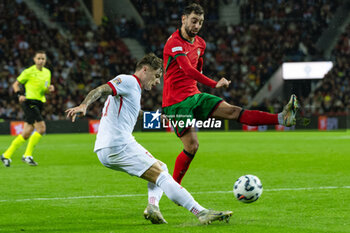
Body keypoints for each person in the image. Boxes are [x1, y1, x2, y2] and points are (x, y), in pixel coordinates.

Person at [65, 53, 232, 225]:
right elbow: (100, 90)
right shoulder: (128, 81)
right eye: (157, 75)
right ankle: (201, 212)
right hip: (119, 144)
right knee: (162, 176)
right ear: (145, 69)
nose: (158, 81)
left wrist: (158, 118)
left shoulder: (133, 89)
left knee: (162, 167)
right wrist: (84, 105)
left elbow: (134, 114)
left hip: (108, 147)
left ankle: (153, 207)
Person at [162, 3, 299, 184]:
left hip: (195, 96)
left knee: (234, 111)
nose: (197, 26)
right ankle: (174, 188)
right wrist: (213, 83)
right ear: (183, 19)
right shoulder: (174, 43)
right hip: (176, 102)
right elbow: (187, 69)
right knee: (192, 146)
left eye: (200, 23)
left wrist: (199, 86)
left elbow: (198, 65)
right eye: (194, 21)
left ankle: (282, 118)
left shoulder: (200, 43)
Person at [1, 50, 54, 167]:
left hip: (40, 103)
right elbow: (15, 84)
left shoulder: (47, 72)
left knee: (26, 133)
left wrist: (48, 89)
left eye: (43, 59)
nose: (41, 61)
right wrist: (19, 95)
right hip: (29, 102)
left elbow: (44, 90)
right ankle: (27, 155)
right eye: (39, 58)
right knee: (41, 128)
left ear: (45, 60)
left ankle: (6, 155)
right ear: (34, 60)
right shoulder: (28, 72)